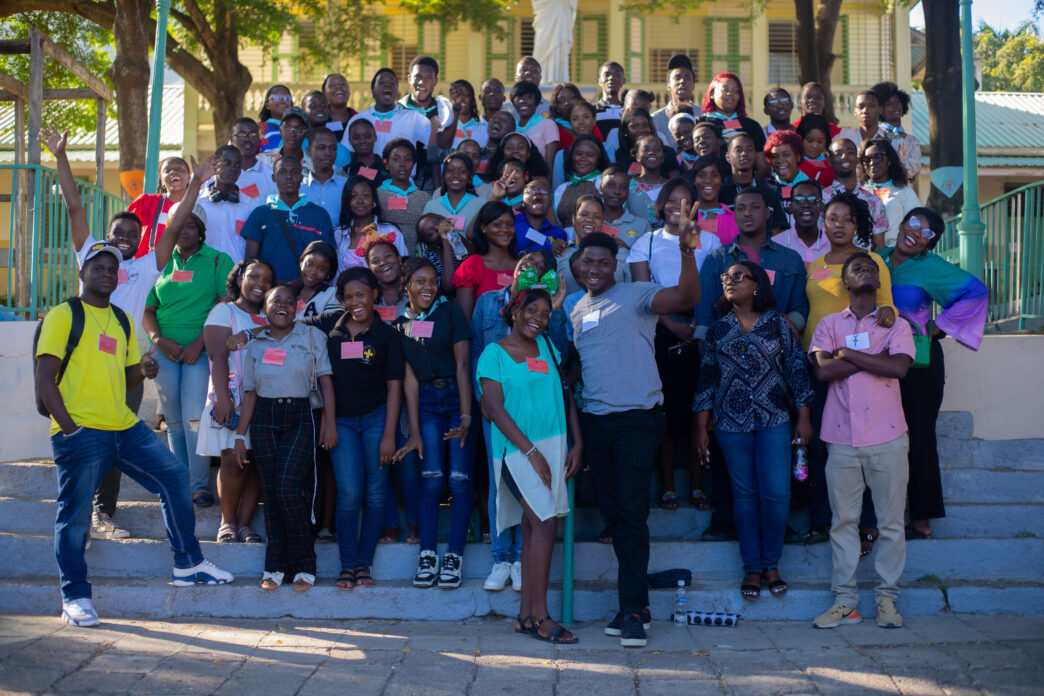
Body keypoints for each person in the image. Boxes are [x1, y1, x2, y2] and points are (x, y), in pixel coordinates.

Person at [37, 239, 234, 627]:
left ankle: (187, 563)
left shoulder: (123, 320)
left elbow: (126, 376)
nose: (108, 275)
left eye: (113, 269)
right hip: (81, 430)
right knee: (75, 516)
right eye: (99, 268)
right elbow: (45, 379)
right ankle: (74, 595)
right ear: (83, 273)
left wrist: (142, 370)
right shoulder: (63, 315)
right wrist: (71, 430)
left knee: (175, 477)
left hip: (124, 427)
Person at [41, 125, 199, 540]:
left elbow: (176, 223)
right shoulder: (92, 255)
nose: (124, 239)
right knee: (80, 444)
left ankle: (101, 513)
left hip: (125, 369)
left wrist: (196, 185)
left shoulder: (148, 264)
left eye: (131, 234)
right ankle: (76, 514)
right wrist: (60, 155)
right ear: (107, 237)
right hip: (80, 369)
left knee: (111, 446)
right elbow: (75, 208)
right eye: (118, 234)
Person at [571, 223, 702, 648]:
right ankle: (634, 603)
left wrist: (686, 251)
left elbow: (686, 299)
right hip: (596, 423)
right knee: (613, 514)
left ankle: (634, 610)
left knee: (630, 515)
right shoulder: (574, 308)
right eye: (588, 261)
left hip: (637, 420)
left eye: (603, 262)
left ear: (616, 267)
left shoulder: (637, 293)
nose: (594, 268)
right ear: (576, 265)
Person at [692, 187, 809, 542]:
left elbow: (801, 308)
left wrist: (785, 328)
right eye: (740, 208)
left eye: (754, 207)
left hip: (775, 367)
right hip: (727, 369)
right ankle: (725, 519)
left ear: (768, 212)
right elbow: (703, 318)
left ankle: (778, 524)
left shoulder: (789, 260)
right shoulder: (716, 260)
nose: (747, 214)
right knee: (731, 458)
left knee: (775, 459)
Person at [694, 261, 813, 600]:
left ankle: (771, 563)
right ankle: (752, 568)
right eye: (725, 278)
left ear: (757, 284)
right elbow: (706, 379)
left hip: (774, 418)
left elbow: (797, 371)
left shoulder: (778, 324)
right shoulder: (718, 329)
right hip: (730, 422)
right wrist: (701, 425)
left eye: (738, 277)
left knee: (776, 494)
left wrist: (804, 417)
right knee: (744, 496)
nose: (730, 282)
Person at [809, 252, 914, 630]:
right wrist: (876, 356)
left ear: (879, 280)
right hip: (840, 438)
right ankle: (846, 602)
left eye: (871, 267)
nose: (865, 270)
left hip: (887, 436)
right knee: (843, 523)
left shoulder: (895, 323)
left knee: (889, 523)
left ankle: (887, 598)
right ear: (845, 283)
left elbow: (899, 367)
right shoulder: (828, 324)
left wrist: (851, 353)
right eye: (857, 268)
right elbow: (824, 371)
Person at [478, 281, 583, 643]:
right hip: (515, 451)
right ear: (513, 312)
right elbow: (493, 409)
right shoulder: (493, 353)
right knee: (544, 525)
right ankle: (541, 616)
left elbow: (566, 393)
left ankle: (525, 615)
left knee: (532, 525)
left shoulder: (548, 347)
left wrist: (577, 441)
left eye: (544, 313)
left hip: (554, 445)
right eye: (530, 310)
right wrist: (531, 453)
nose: (537, 318)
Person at [880, 209, 988, 539]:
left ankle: (922, 521)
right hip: (875, 361)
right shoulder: (877, 259)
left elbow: (976, 292)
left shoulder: (929, 267)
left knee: (919, 437)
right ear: (901, 224)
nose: (915, 233)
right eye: (913, 223)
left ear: (931, 243)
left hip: (919, 363)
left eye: (926, 232)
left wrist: (939, 327)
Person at [802, 192, 897, 549]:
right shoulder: (816, 263)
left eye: (846, 219)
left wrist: (888, 314)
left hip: (861, 367)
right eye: (832, 219)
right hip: (819, 364)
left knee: (863, 444)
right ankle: (821, 520)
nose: (838, 225)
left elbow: (887, 307)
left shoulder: (871, 260)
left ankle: (867, 521)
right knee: (824, 447)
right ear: (823, 224)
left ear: (857, 225)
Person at [471, 250, 566, 593]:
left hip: (546, 434)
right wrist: (481, 402)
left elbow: (562, 381)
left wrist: (554, 309)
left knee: (536, 510)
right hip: (507, 428)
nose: (538, 317)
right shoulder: (489, 315)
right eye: (527, 265)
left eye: (541, 269)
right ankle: (503, 558)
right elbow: (477, 360)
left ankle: (523, 565)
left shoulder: (547, 342)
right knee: (506, 492)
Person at [305, 266, 405, 590]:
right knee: (349, 494)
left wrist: (390, 435)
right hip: (342, 423)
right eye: (348, 296)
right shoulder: (327, 326)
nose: (355, 302)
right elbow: (287, 326)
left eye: (361, 294)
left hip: (377, 419)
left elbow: (394, 388)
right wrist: (248, 333)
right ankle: (347, 565)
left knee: (375, 494)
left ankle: (365, 564)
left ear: (375, 294)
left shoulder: (387, 335)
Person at [234, 285, 337, 592]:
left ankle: (305, 562)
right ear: (265, 308)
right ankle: (275, 564)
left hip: (301, 416)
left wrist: (330, 423)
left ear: (297, 308)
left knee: (288, 488)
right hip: (264, 418)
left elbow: (327, 384)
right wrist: (241, 436)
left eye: (289, 302)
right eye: (275, 301)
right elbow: (250, 394)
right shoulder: (256, 344)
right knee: (272, 491)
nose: (282, 306)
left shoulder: (311, 337)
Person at [629, 179, 721, 513]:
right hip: (660, 332)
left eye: (686, 202)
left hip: (702, 330)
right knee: (667, 413)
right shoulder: (646, 243)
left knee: (699, 410)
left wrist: (697, 328)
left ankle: (698, 486)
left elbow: (711, 289)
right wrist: (672, 325)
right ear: (661, 205)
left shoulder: (709, 241)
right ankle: (668, 486)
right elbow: (643, 293)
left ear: (695, 207)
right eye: (672, 201)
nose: (678, 207)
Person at [143, 200, 235, 507]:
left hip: (201, 350)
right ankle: (179, 481)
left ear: (201, 231)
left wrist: (201, 343)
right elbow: (146, 309)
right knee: (175, 419)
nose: (184, 231)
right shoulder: (158, 262)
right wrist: (158, 338)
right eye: (179, 225)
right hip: (165, 350)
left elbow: (224, 305)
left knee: (195, 416)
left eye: (191, 225)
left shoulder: (217, 261)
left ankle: (198, 485)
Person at [394, 258, 474, 590]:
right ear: (406, 286)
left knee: (458, 480)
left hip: (456, 400)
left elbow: (463, 364)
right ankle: (428, 555)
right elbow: (409, 382)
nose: (427, 287)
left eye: (432, 281)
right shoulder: (401, 324)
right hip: (426, 403)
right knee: (431, 479)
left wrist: (467, 415)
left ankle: (453, 556)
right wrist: (413, 432)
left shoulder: (451, 311)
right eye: (420, 281)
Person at [198, 258, 274, 543]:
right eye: (254, 276)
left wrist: (251, 332)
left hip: (263, 399)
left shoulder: (269, 314)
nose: (260, 284)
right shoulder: (224, 310)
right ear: (240, 277)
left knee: (254, 463)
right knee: (232, 460)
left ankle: (244, 524)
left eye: (267, 280)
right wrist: (222, 400)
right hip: (230, 398)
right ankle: (226, 523)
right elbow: (218, 355)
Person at [240, 156, 336, 283]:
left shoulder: (319, 215)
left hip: (310, 291)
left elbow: (327, 259)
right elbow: (250, 262)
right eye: (282, 172)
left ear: (302, 178)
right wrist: (272, 282)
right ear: (273, 177)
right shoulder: (260, 214)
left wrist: (301, 281)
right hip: (270, 293)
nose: (289, 176)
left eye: (295, 172)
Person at [345, 68, 439, 190]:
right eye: (382, 83)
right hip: (364, 188)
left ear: (396, 91)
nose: (387, 85)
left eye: (392, 83)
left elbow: (435, 152)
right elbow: (348, 156)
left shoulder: (414, 118)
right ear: (373, 92)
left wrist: (439, 189)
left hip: (402, 190)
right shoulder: (358, 120)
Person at [453, 201, 520, 322]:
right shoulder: (472, 265)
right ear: (484, 228)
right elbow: (465, 322)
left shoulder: (522, 266)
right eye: (497, 225)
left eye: (510, 225)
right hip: (484, 339)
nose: (505, 230)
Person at [824, 137, 890, 248]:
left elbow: (879, 246)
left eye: (850, 152)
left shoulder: (874, 201)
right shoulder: (821, 198)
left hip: (863, 263)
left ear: (857, 158)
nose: (844, 156)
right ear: (829, 160)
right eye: (838, 154)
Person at [720, 133, 789, 236]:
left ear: (756, 155)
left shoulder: (770, 194)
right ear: (728, 157)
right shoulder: (720, 193)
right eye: (738, 150)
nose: (744, 154)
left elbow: (779, 235)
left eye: (749, 150)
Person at [333, 175, 406, 269]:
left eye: (366, 196)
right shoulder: (339, 235)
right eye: (354, 196)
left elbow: (403, 267)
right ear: (347, 201)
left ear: (373, 201)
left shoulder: (391, 231)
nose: (360, 201)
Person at [858, 138, 920, 248]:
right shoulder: (858, 193)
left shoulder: (905, 192)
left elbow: (915, 226)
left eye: (877, 157)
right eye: (867, 159)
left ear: (890, 160)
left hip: (895, 254)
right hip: (863, 254)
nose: (872, 163)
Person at [195, 145, 252, 263]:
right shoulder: (197, 202)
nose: (233, 169)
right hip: (204, 273)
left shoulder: (250, 205)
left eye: (237, 165)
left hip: (236, 275)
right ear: (214, 164)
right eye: (227, 163)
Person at [559, 195, 630, 289]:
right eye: (584, 214)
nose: (590, 220)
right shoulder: (560, 253)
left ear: (602, 221)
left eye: (597, 217)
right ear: (573, 219)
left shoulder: (619, 253)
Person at [376, 138, 432, 254]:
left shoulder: (425, 198)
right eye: (396, 159)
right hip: (385, 261)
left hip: (417, 262)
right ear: (386, 164)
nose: (402, 164)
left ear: (413, 164)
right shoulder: (376, 195)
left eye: (408, 159)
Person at [128, 156, 191, 259]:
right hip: (148, 266)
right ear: (161, 178)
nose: (173, 172)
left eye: (179, 169)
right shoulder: (147, 202)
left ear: (188, 177)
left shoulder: (197, 207)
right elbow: (127, 229)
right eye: (167, 170)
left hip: (180, 267)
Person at [421, 151, 487, 243]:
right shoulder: (431, 205)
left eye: (462, 171)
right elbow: (423, 242)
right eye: (450, 171)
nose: (456, 175)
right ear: (443, 175)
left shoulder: (481, 203)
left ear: (469, 176)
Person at [700, 72, 767, 153]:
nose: (730, 94)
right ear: (712, 94)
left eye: (735, 91)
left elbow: (761, 163)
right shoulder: (701, 123)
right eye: (725, 90)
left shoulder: (752, 126)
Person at [553, 134, 609, 228]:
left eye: (590, 155)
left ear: (598, 159)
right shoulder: (562, 188)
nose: (583, 158)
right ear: (572, 156)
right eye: (579, 154)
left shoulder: (605, 183)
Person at [871, 81, 922, 182]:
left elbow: (912, 170)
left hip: (903, 192)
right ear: (880, 109)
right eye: (889, 104)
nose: (895, 106)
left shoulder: (912, 140)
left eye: (897, 102)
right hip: (879, 191)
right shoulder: (875, 135)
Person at [772, 179, 830, 267]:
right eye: (799, 200)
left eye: (813, 200)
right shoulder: (776, 244)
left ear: (821, 207)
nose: (806, 205)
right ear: (790, 207)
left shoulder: (834, 242)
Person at [301, 127, 349, 226]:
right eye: (322, 148)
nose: (328, 153)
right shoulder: (299, 186)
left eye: (333, 148)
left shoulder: (347, 185)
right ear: (309, 151)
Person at [687, 155, 740, 245]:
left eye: (714, 175)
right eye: (702, 175)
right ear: (694, 180)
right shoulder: (686, 217)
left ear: (721, 180)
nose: (708, 180)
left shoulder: (736, 219)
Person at [228, 118, 277, 211]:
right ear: (232, 139)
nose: (247, 139)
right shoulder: (221, 175)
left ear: (259, 139)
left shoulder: (272, 176)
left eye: (253, 134)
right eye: (241, 134)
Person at [599, 165, 651, 250]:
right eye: (611, 185)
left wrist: (627, 249)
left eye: (623, 187)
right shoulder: (590, 221)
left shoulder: (642, 225)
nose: (617, 191)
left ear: (628, 191)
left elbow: (648, 258)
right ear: (601, 188)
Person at [510, 80, 559, 167]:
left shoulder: (548, 125)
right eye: (518, 98)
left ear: (536, 101)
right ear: (513, 103)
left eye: (528, 97)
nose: (522, 101)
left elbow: (549, 164)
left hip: (539, 177)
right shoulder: (511, 127)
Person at [513, 178, 568, 256]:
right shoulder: (512, 222)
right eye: (531, 191)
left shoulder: (559, 234)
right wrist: (550, 243)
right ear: (522, 201)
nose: (537, 193)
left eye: (544, 191)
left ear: (550, 202)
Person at [651, 55, 696, 143]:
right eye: (677, 78)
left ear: (693, 85)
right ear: (668, 86)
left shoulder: (703, 115)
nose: (682, 81)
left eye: (687, 78)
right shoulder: (655, 120)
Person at [295, 240, 341, 318]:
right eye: (309, 264)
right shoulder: (291, 293)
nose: (313, 272)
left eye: (321, 269)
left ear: (329, 273)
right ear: (301, 261)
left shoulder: (332, 294)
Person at [258, 106, 309, 172]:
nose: (292, 133)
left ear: (305, 133)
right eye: (287, 128)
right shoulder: (262, 161)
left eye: (298, 129)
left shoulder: (313, 167)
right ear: (280, 130)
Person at [344, 119, 391, 184]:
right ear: (349, 140)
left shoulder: (387, 168)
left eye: (367, 136)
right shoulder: (345, 169)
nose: (362, 141)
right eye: (356, 137)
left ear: (375, 137)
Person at [795, 114, 835, 187]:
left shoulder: (831, 164)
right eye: (809, 140)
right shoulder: (793, 163)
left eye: (820, 141)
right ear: (800, 138)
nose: (815, 146)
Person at [257, 84, 293, 153]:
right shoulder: (259, 129)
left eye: (287, 98)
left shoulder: (299, 129)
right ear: (267, 104)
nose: (282, 101)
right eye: (277, 97)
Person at [594, 61, 626, 136]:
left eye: (617, 75)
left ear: (623, 80)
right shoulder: (592, 111)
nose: (611, 78)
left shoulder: (629, 110)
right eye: (607, 75)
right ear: (599, 81)